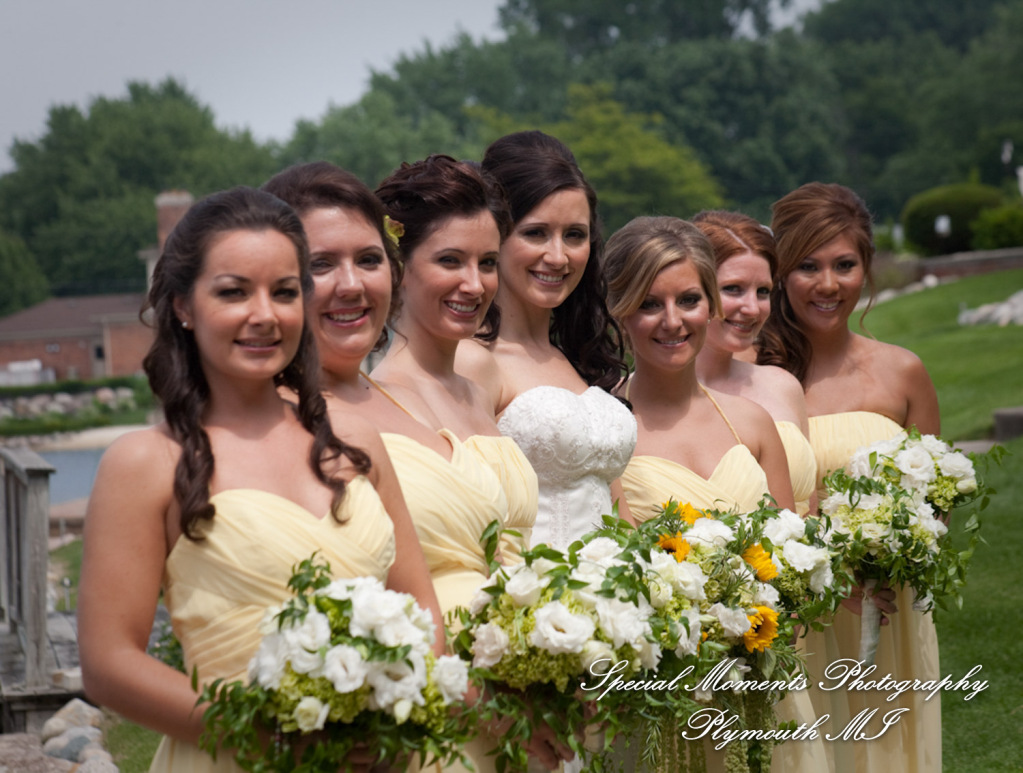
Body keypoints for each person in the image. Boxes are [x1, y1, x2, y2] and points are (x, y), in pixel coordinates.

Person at [77, 187, 441, 773]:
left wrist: (400, 707)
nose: (265, 315)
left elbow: (420, 604)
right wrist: (276, 734)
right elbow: (108, 663)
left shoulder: (355, 442)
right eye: (234, 292)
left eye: (285, 292)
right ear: (183, 306)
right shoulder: (145, 463)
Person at [603, 216, 824, 773]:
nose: (673, 321)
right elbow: (616, 576)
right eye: (649, 304)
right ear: (620, 310)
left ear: (710, 306)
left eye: (688, 300)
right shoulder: (605, 429)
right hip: (667, 698)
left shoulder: (751, 422)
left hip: (766, 684)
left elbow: (792, 559)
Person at [757, 182, 941, 773]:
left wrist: (896, 551)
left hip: (886, 610)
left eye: (844, 265)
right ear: (781, 273)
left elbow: (936, 501)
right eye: (807, 266)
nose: (828, 284)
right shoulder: (753, 377)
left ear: (867, 267)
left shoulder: (903, 372)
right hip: (794, 613)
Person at [457, 130, 637, 553]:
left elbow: (615, 506)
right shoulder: (470, 360)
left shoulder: (575, 356)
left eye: (574, 235)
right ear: (495, 237)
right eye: (536, 233)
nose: (558, 257)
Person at [692, 210, 818, 515]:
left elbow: (810, 508)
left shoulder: (783, 386)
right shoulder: (630, 399)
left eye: (763, 291)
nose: (752, 308)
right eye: (733, 289)